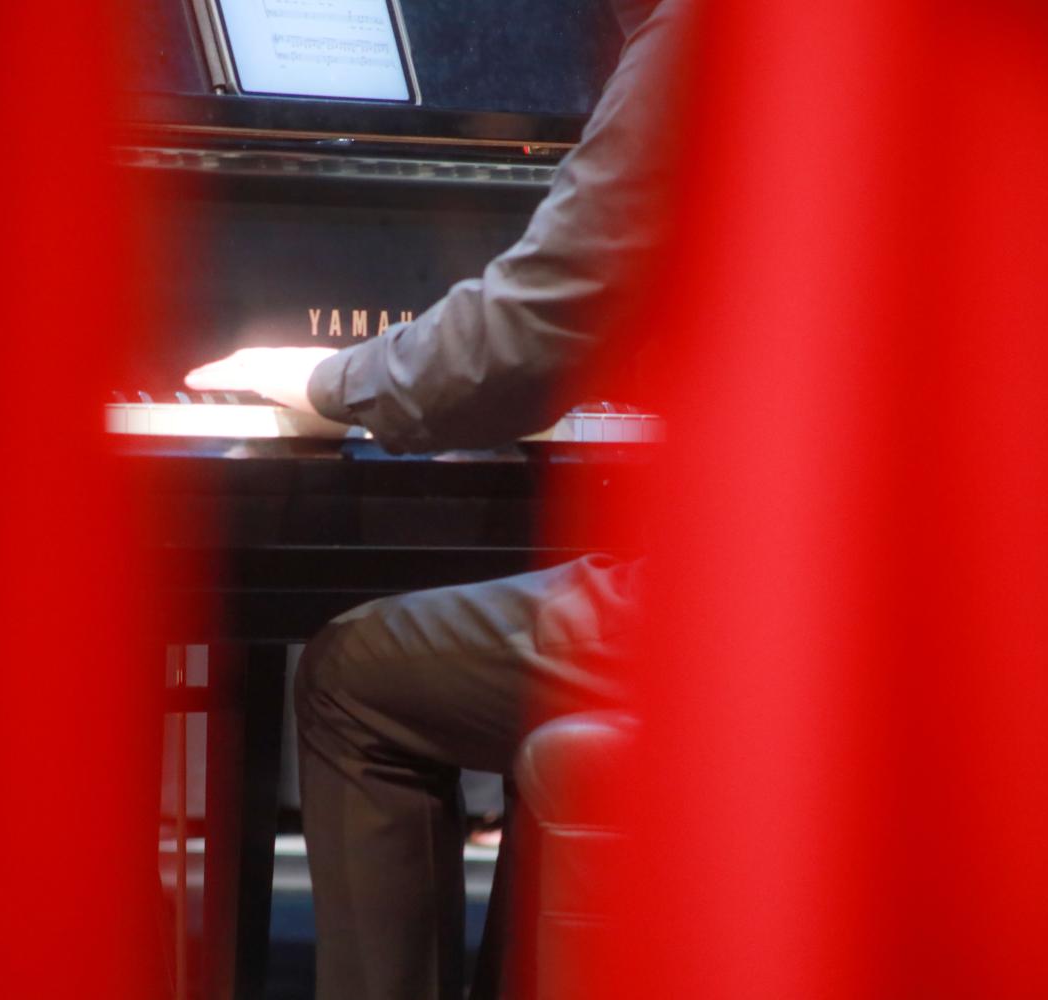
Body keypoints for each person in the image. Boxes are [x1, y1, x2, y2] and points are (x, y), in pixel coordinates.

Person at [186, 2, 690, 996]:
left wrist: (327, 379)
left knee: (351, 677)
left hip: (761, 609)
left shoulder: (701, 44)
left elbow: (515, 345)